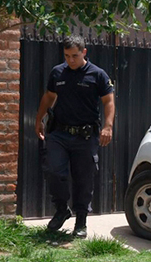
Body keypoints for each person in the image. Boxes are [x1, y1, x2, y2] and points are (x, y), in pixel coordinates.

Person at [35, 35, 115, 239]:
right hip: (59, 133)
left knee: (83, 179)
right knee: (54, 170)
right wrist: (38, 120)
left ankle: (81, 221)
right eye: (67, 56)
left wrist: (108, 125)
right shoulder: (57, 72)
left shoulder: (97, 75)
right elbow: (49, 96)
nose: (71, 60)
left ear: (84, 53)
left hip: (85, 136)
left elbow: (108, 101)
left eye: (75, 56)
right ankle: (62, 209)